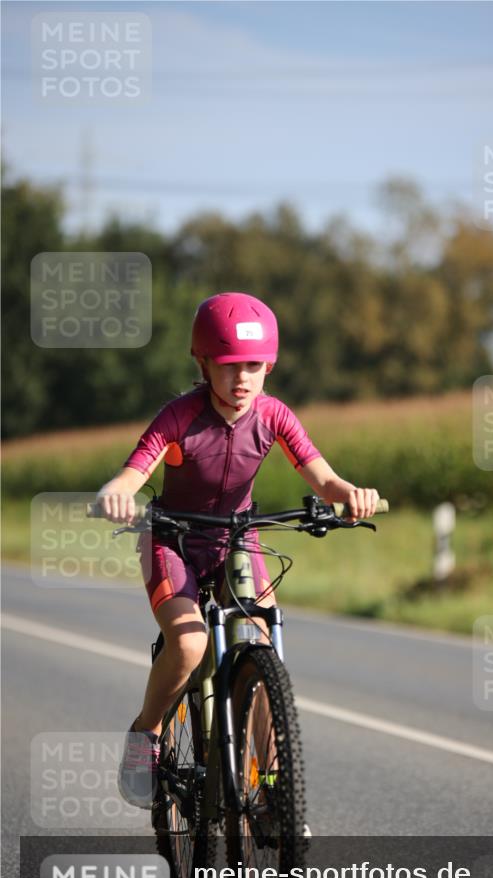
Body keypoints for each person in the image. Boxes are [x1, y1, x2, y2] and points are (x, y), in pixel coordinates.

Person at [97, 291, 379, 808]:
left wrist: (350, 495)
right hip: (175, 539)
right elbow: (135, 471)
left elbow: (323, 478)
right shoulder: (179, 416)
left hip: (238, 538)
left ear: (269, 364)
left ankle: (275, 789)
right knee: (188, 645)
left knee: (265, 640)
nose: (242, 378)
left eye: (254, 364)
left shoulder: (274, 416)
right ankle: (147, 734)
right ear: (203, 363)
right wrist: (118, 494)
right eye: (228, 365)